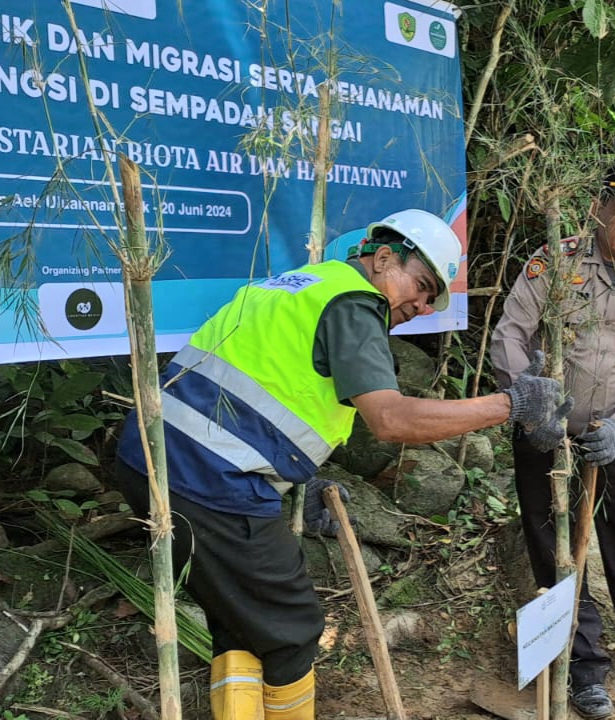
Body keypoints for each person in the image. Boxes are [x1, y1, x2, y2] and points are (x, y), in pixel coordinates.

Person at [115, 208, 573, 720]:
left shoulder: (299, 285)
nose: (421, 306)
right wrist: (512, 405)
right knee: (293, 627)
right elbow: (391, 420)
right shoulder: (356, 303)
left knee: (240, 619)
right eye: (421, 286)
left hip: (152, 457)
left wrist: (287, 481)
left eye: (430, 300)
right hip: (210, 478)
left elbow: (258, 389)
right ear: (382, 259)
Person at [490, 165, 615, 720]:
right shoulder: (556, 260)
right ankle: (583, 664)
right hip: (546, 431)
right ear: (599, 207)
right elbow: (511, 334)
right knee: (552, 544)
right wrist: (535, 404)